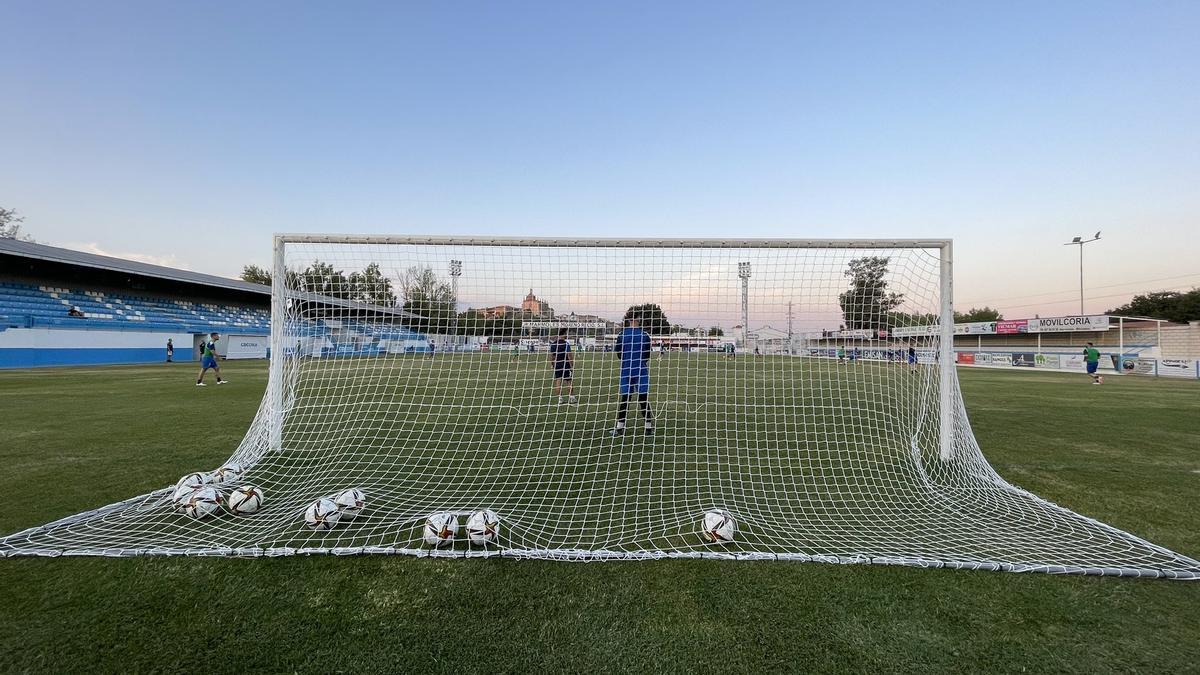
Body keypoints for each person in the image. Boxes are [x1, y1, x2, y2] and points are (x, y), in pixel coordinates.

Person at [611, 317, 654, 437]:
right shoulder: (645, 335)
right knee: (643, 399)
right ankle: (648, 428)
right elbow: (647, 355)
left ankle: (619, 428)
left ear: (628, 320)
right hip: (640, 370)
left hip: (626, 370)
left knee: (625, 398)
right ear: (638, 319)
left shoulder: (621, 335)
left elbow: (619, 354)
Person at [549, 327, 577, 404]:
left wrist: (552, 364)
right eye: (566, 334)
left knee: (558, 381)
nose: (567, 335)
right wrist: (572, 365)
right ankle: (572, 398)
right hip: (565, 364)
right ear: (564, 334)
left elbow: (552, 356)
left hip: (557, 364)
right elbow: (569, 356)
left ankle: (560, 399)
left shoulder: (554, 344)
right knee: (568, 381)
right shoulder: (566, 344)